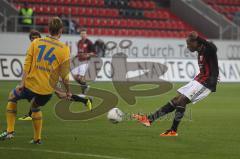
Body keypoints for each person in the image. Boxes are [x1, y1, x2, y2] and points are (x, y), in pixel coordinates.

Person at [0, 17, 71, 144]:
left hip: (31, 85)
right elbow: (65, 75)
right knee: (35, 107)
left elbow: (27, 64)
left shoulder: (36, 42)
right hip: (47, 90)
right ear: (61, 30)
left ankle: (10, 132)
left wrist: (22, 83)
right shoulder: (64, 49)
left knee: (12, 97)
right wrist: (67, 91)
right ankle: (37, 139)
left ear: (48, 29)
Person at [133, 31, 219, 137]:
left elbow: (214, 49)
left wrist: (199, 38)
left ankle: (173, 130)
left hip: (207, 82)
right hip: (199, 79)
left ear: (196, 42)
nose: (187, 47)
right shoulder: (200, 51)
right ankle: (149, 119)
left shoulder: (207, 49)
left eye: (189, 44)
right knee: (176, 99)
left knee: (182, 100)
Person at [72, 28, 96, 94]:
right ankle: (86, 86)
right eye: (82, 33)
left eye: (84, 33)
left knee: (81, 77)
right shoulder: (79, 42)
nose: (83, 35)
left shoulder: (89, 42)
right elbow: (79, 52)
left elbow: (94, 52)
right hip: (79, 61)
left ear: (86, 35)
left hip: (86, 62)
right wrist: (76, 56)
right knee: (75, 77)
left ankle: (83, 93)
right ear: (80, 34)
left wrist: (87, 55)